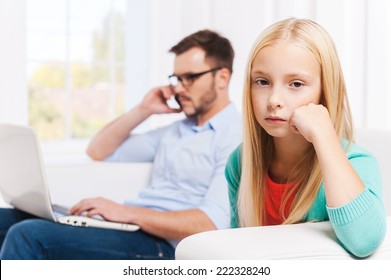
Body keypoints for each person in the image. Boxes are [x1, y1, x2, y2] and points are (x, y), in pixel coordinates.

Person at [0, 29, 242, 259]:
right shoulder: (175, 131)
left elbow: (211, 223)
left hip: (166, 246)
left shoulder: (236, 137)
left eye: (190, 77)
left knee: (28, 236)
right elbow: (98, 150)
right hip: (131, 228)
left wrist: (123, 212)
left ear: (222, 77)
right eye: (176, 78)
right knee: (4, 220)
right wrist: (144, 109)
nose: (178, 88)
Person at [225, 18, 386, 258]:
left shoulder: (358, 162)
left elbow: (365, 242)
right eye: (262, 82)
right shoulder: (241, 161)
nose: (273, 100)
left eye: (296, 84)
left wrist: (325, 137)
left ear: (325, 91)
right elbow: (240, 248)